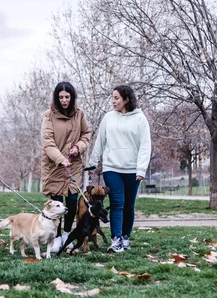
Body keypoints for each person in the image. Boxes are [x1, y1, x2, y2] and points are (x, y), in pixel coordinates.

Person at [88, 85, 151, 253]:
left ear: (126, 99)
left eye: (116, 98)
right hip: (111, 167)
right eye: (113, 97)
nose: (113, 101)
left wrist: (141, 169)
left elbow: (145, 146)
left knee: (129, 205)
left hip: (132, 170)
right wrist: (93, 163)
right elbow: (100, 141)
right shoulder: (108, 117)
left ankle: (125, 237)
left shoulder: (140, 119)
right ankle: (115, 240)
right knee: (117, 203)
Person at [41, 81, 91, 253]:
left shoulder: (80, 114)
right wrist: (60, 159)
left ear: (72, 97)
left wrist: (79, 147)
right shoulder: (49, 115)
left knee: (71, 203)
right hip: (55, 165)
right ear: (56, 97)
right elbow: (47, 142)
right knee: (57, 205)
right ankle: (55, 238)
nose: (64, 100)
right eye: (61, 97)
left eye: (67, 97)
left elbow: (86, 134)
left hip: (73, 165)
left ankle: (67, 236)